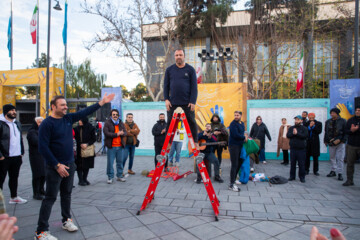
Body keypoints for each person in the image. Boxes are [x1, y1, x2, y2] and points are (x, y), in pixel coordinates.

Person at [35, 93, 114, 240]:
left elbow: (84, 112)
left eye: (66, 105)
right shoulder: (47, 124)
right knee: (50, 197)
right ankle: (41, 231)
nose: (66, 107)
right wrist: (57, 165)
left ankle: (66, 220)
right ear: (53, 107)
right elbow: (43, 148)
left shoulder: (67, 119)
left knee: (66, 195)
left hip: (70, 164)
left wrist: (101, 102)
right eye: (62, 105)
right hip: (55, 167)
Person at [164, 48, 198, 144]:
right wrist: (166, 99)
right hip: (172, 103)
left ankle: (195, 143)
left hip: (187, 103)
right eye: (177, 55)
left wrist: (193, 101)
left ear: (184, 56)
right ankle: (168, 144)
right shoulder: (169, 70)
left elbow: (194, 88)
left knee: (192, 122)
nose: (178, 57)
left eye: (180, 55)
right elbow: (165, 86)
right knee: (170, 124)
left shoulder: (190, 70)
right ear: (174, 57)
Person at [0, 104, 27, 205]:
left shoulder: (17, 123)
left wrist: (21, 152)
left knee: (14, 178)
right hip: (4, 157)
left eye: (14, 110)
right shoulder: (1, 123)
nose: (14, 112)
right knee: (1, 179)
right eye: (11, 110)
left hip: (16, 156)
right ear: (6, 112)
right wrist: (1, 156)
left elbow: (20, 139)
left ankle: (14, 197)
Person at [103, 109, 127, 184]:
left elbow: (125, 132)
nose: (115, 116)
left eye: (116, 114)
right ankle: (110, 177)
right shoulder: (107, 123)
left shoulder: (120, 122)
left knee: (120, 162)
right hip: (111, 146)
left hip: (120, 146)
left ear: (118, 115)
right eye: (114, 114)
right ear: (111, 115)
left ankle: (119, 176)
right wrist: (116, 134)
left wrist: (122, 133)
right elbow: (106, 133)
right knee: (110, 163)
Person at [324, 108, 347, 181]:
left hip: (340, 142)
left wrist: (343, 140)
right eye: (331, 113)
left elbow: (346, 132)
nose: (331, 114)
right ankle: (333, 170)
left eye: (333, 113)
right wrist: (325, 140)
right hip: (331, 142)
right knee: (332, 157)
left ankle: (340, 173)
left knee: (340, 158)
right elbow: (326, 131)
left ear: (337, 113)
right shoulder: (328, 121)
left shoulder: (343, 121)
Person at [27, 117, 46, 200]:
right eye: (39, 122)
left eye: (42, 122)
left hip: (44, 156)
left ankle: (41, 189)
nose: (41, 124)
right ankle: (36, 192)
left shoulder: (43, 131)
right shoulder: (32, 132)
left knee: (44, 174)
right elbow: (36, 142)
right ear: (35, 123)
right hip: (36, 156)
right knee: (37, 175)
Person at [74, 117, 96, 186]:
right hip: (79, 149)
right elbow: (75, 138)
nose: (79, 121)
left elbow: (94, 138)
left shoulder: (91, 128)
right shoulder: (77, 128)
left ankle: (85, 178)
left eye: (80, 120)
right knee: (79, 165)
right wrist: (80, 144)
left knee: (87, 164)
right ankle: (80, 180)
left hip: (88, 149)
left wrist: (87, 144)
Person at [228, 111, 246, 192]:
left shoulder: (242, 123)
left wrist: (245, 136)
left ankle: (234, 179)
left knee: (239, 162)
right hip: (233, 146)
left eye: (237, 115)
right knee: (234, 164)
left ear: (241, 115)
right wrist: (243, 137)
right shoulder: (233, 124)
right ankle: (231, 184)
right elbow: (235, 135)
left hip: (240, 146)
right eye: (235, 115)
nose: (236, 116)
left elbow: (242, 133)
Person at [287, 115, 308, 183]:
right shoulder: (291, 128)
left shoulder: (304, 128)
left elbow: (305, 136)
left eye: (298, 120)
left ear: (301, 121)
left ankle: (302, 177)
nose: (296, 121)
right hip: (293, 148)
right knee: (292, 163)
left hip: (301, 149)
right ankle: (292, 176)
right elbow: (288, 135)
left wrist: (297, 133)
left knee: (301, 164)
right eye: (295, 119)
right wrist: (293, 133)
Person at [343, 106, 360, 186]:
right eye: (356, 110)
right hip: (351, 145)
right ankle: (349, 180)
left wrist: (357, 129)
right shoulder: (351, 120)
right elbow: (346, 130)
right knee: (350, 163)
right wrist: (351, 130)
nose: (357, 112)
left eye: (359, 110)